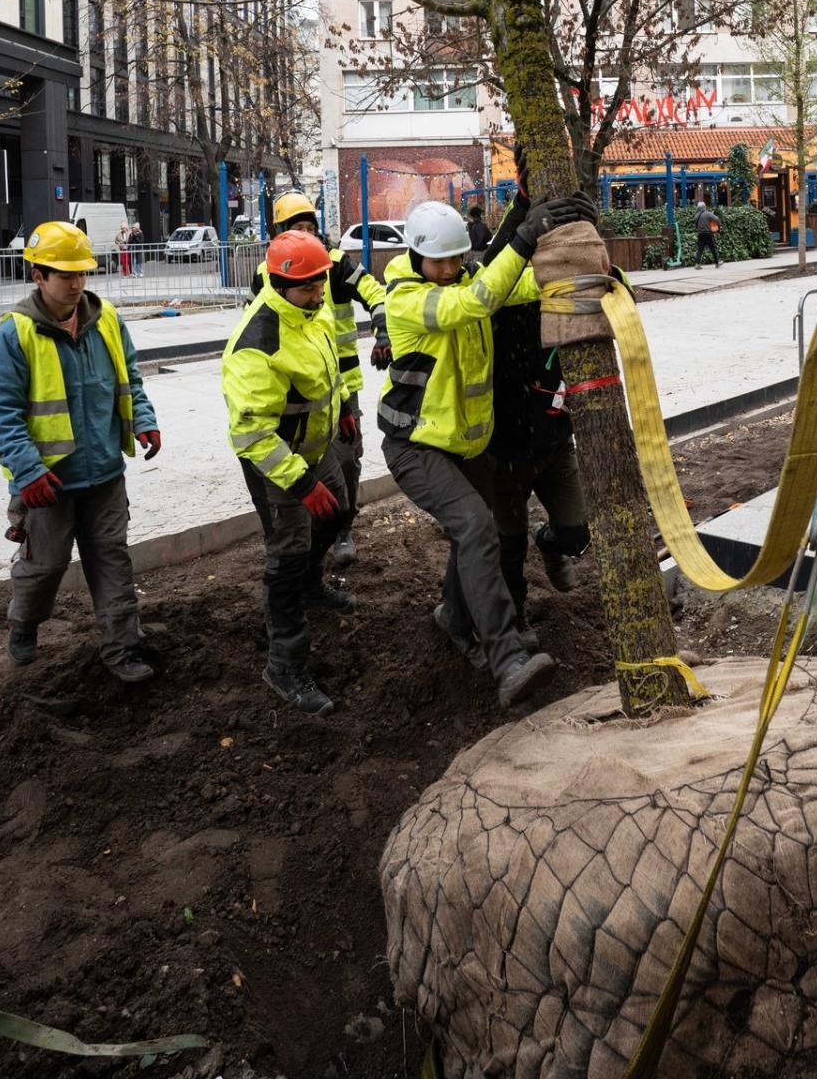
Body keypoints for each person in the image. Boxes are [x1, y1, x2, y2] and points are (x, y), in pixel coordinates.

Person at [379, 194, 591, 708]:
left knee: (473, 536)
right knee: (477, 528)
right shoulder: (407, 298)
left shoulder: (465, 280)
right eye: (439, 262)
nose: (449, 270)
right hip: (417, 447)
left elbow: (509, 279)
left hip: (463, 447)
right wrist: (521, 237)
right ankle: (507, 658)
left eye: (457, 259)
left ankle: (453, 618)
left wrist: (571, 252)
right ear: (413, 256)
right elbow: (475, 300)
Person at [0, 220, 162, 683]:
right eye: (65, 274)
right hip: (48, 483)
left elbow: (130, 379)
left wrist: (143, 418)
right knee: (46, 566)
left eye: (83, 272)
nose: (77, 283)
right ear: (38, 275)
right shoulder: (14, 335)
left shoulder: (108, 322)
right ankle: (24, 624)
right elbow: (1, 414)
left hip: (104, 473)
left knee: (111, 560)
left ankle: (123, 649)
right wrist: (27, 471)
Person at [222, 231, 353, 715]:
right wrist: (300, 483)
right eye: (308, 287)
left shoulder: (308, 315)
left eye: (321, 284)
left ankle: (311, 587)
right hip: (278, 468)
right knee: (287, 557)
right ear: (278, 283)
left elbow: (325, 372)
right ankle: (284, 664)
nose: (320, 294)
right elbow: (253, 434)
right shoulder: (257, 342)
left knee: (339, 514)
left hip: (316, 450)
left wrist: (342, 407)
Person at [480, 182, 597, 645]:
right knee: (507, 548)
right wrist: (524, 209)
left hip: (552, 445)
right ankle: (518, 617)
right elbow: (494, 268)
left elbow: (610, 288)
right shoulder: (494, 300)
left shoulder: (564, 293)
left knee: (576, 533)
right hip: (504, 453)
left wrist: (591, 237)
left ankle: (551, 546)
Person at [253, 191, 387, 566]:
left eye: (311, 228)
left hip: (339, 387)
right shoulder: (267, 274)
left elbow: (375, 293)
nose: (307, 235)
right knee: (289, 463)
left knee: (346, 458)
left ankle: (342, 529)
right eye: (298, 228)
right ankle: (295, 541)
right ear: (280, 233)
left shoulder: (337, 265)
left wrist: (383, 329)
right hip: (291, 390)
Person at [694, 197, 721, 269]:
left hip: (700, 234)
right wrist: (719, 225)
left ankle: (697, 264)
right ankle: (717, 263)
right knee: (713, 249)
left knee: (700, 249)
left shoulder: (696, 216)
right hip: (708, 234)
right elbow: (717, 219)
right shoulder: (708, 214)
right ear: (704, 207)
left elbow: (695, 225)